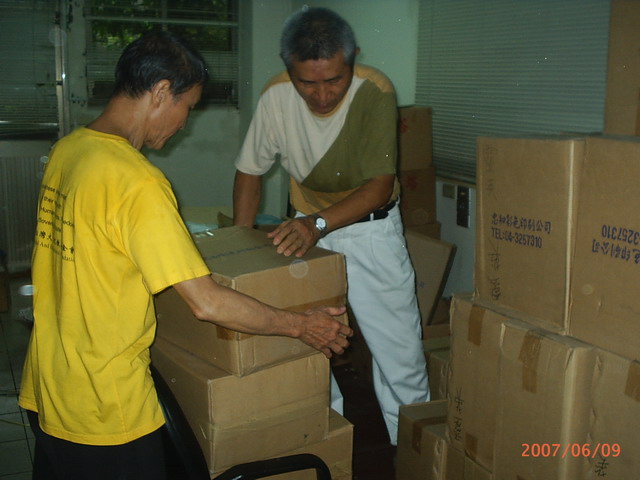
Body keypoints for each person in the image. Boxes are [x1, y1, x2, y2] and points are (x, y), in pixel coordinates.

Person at [18, 30, 351, 480]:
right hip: (106, 410)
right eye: (187, 107)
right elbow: (206, 302)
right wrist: (302, 326)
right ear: (160, 92)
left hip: (50, 384)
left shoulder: (69, 149)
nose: (183, 124)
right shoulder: (137, 182)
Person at [232, 7, 429, 446]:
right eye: (307, 83)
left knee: (399, 355)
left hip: (369, 231)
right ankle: (325, 448)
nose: (322, 95)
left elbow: (379, 187)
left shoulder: (375, 90)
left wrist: (317, 224)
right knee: (309, 346)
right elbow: (249, 171)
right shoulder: (275, 96)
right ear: (288, 67)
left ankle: (413, 454)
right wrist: (241, 249)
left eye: (334, 80)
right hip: (307, 232)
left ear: (353, 57)